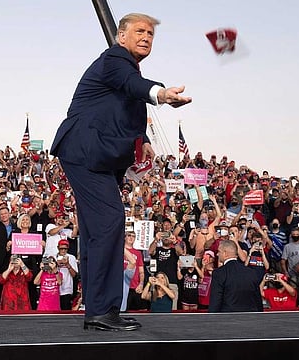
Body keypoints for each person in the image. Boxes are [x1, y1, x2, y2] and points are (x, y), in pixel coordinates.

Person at [49, 13, 191, 331]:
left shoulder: (125, 68)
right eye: (139, 31)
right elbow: (134, 86)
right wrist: (162, 94)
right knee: (109, 223)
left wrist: (144, 143)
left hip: (92, 155)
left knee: (97, 230)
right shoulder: (115, 59)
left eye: (151, 34)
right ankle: (102, 309)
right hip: (85, 151)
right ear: (120, 36)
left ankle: (98, 309)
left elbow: (125, 105)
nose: (146, 37)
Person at [208, 239, 263, 312]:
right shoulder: (251, 272)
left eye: (219, 251)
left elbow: (215, 302)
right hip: (250, 319)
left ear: (225, 253)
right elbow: (258, 301)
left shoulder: (219, 273)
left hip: (228, 319)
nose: (217, 254)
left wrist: (211, 320)